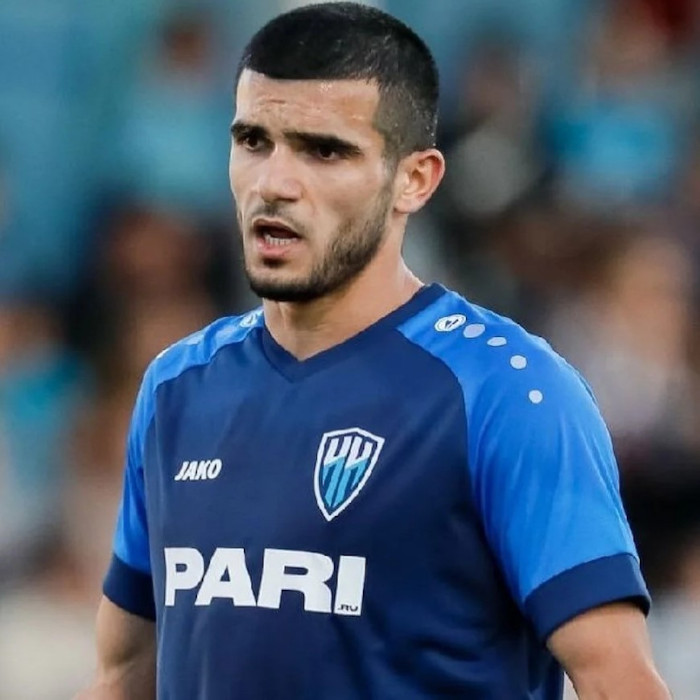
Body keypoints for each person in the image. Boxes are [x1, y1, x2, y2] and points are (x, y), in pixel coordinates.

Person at [80, 3, 670, 698]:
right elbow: (124, 672)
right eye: (254, 141)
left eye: (324, 150)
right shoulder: (178, 387)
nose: (274, 183)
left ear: (414, 179)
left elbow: (618, 681)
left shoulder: (505, 391)